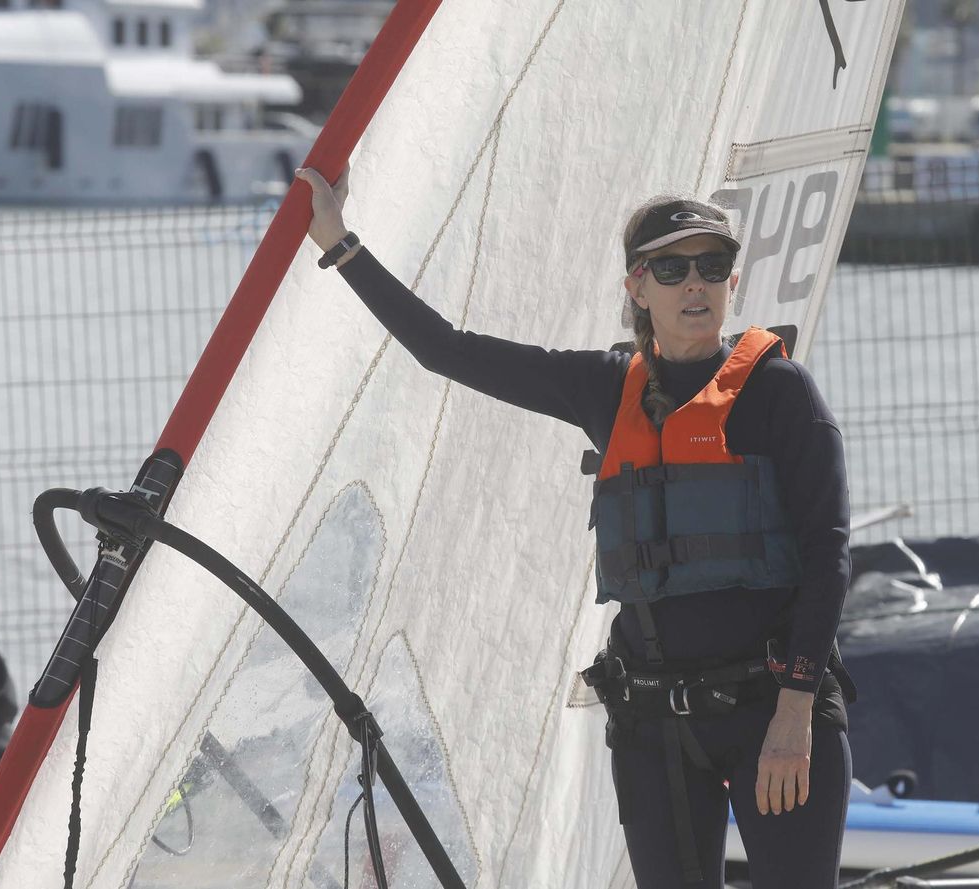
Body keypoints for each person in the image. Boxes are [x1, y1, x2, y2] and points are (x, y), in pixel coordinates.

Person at [295, 167, 855, 889]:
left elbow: (828, 552)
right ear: (637, 287)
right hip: (656, 726)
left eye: (712, 267)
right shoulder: (603, 385)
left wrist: (798, 708)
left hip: (775, 712)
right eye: (673, 267)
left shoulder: (780, 391)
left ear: (732, 282)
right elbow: (447, 350)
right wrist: (341, 245)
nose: (696, 284)